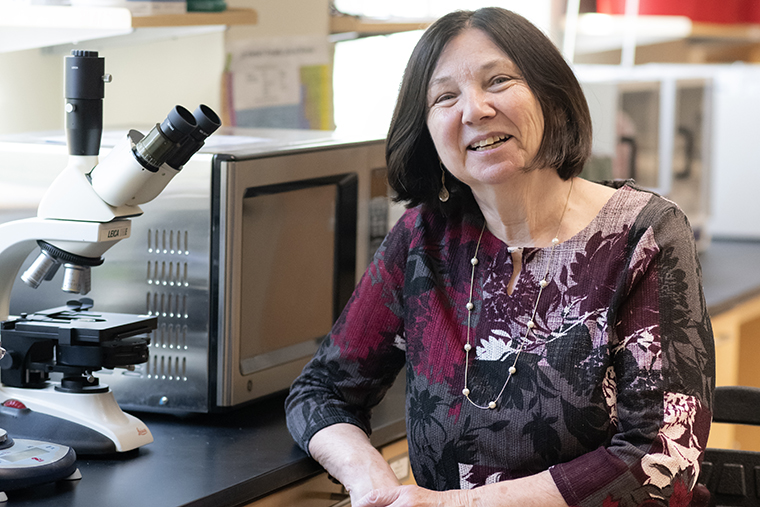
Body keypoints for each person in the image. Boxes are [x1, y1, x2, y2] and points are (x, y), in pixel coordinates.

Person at [285, 7, 715, 507]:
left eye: (499, 81)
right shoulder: (423, 240)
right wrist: (373, 485)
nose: (474, 110)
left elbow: (661, 461)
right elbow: (320, 391)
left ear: (550, 96)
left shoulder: (643, 235)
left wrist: (448, 505)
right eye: (446, 96)